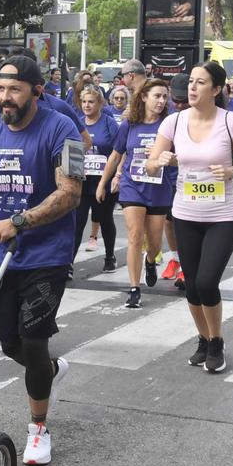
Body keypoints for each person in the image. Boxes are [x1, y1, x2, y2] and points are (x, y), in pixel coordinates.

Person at [0, 50, 81, 466]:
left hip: (47, 252)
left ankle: (38, 427)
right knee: (11, 345)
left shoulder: (64, 129)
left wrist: (20, 221)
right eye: (0, 88)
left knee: (34, 337)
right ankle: (47, 371)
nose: (4, 97)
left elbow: (71, 193)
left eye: (14, 90)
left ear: (37, 92)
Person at [147, 62, 233, 373]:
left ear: (216, 90)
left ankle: (217, 339)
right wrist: (160, 160)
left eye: (201, 83)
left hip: (222, 214)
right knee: (192, 285)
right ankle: (203, 339)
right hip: (185, 213)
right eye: (191, 82)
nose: (192, 88)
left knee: (208, 282)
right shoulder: (173, 123)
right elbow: (150, 165)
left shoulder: (231, 122)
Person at [97, 77, 174, 309]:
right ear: (143, 97)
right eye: (156, 96)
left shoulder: (169, 125)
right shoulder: (129, 124)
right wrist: (103, 182)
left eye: (164, 97)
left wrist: (163, 153)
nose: (161, 101)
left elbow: (181, 155)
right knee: (134, 235)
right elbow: (115, 156)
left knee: (154, 244)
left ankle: (150, 261)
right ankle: (134, 287)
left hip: (159, 189)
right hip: (132, 187)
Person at [72, 81, 121, 271]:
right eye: (84, 102)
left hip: (104, 181)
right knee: (78, 221)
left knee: (105, 218)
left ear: (99, 103)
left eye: (91, 102)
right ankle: (69, 263)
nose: (87, 105)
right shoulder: (77, 123)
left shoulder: (108, 123)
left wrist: (117, 174)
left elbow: (119, 150)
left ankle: (110, 256)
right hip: (83, 182)